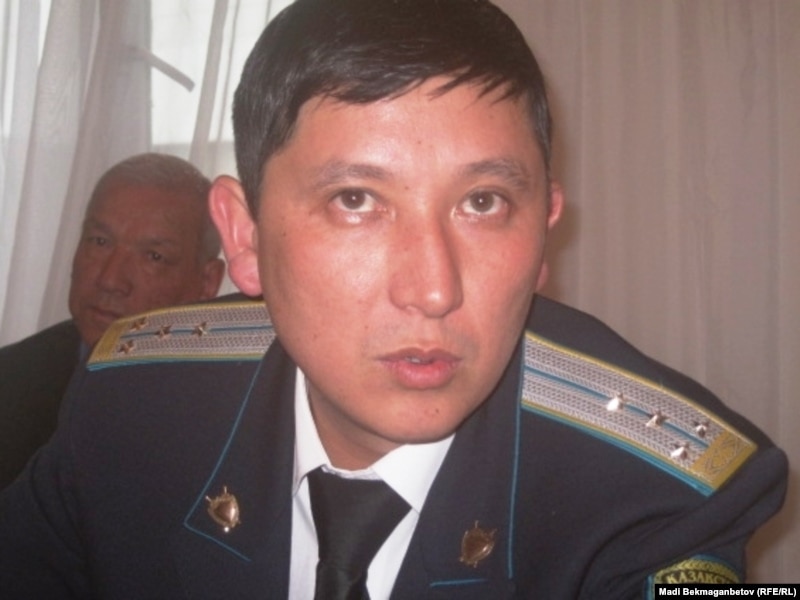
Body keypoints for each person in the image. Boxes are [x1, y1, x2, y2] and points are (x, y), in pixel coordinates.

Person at [0, 1, 787, 598]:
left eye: (482, 203)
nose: (434, 290)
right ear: (244, 237)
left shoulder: (658, 499)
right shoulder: (132, 408)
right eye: (355, 200)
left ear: (543, 230)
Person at [0, 152, 225, 489]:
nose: (110, 280)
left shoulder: (232, 414)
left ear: (207, 282)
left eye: (154, 257)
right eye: (100, 242)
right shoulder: (11, 381)